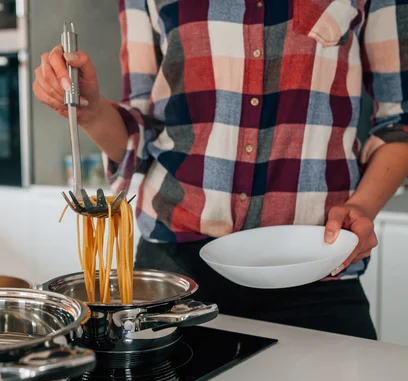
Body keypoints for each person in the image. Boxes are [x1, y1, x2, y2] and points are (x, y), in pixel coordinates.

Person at [33, 0, 408, 340]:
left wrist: (363, 206)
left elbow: (398, 123)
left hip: (317, 263)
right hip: (176, 271)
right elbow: (140, 129)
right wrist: (91, 110)